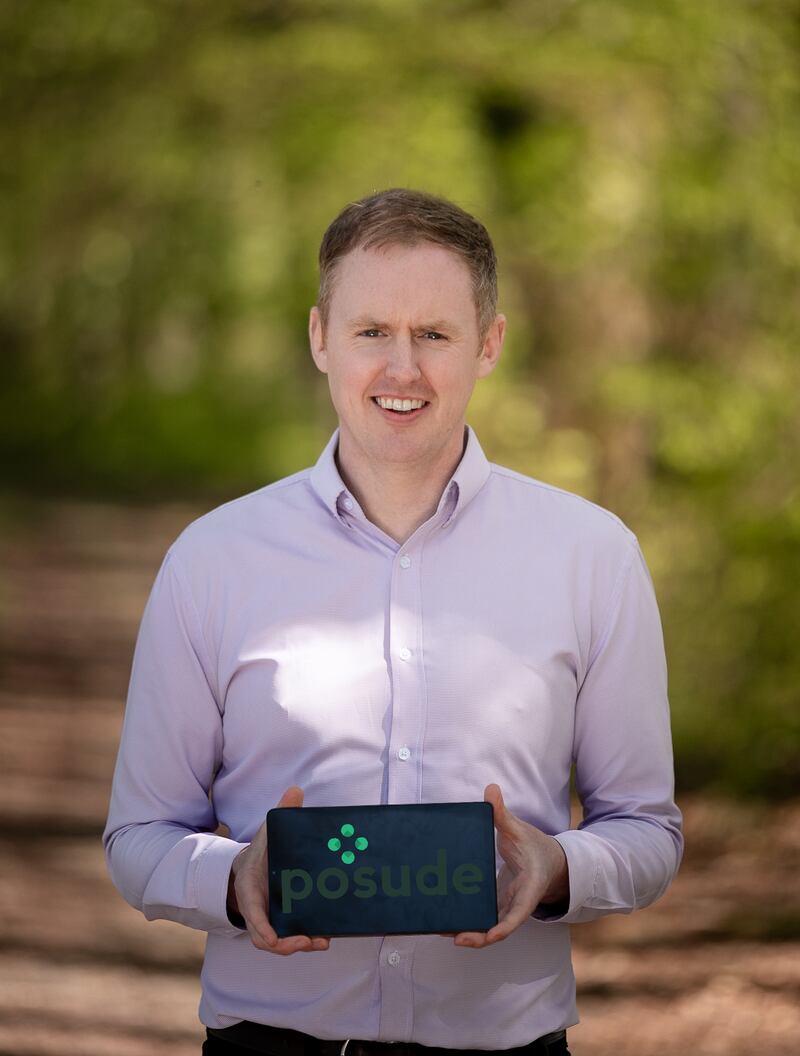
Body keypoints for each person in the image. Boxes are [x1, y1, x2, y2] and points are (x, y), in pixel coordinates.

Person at [103, 188, 683, 1056]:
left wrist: (562, 867)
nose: (401, 368)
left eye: (434, 334)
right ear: (320, 339)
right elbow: (138, 837)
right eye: (372, 331)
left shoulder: (593, 556)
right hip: (270, 1041)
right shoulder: (211, 560)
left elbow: (647, 830)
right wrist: (234, 879)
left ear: (489, 344)